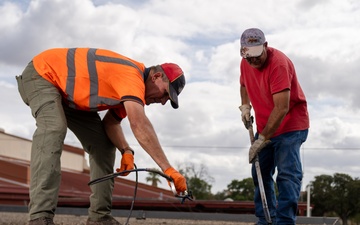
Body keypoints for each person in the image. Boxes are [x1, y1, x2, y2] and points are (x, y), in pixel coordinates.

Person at [16, 48, 188, 225]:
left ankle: (99, 217)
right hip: (42, 74)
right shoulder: (131, 76)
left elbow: (111, 124)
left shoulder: (130, 91)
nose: (163, 101)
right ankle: (39, 216)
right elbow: (139, 123)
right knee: (54, 128)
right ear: (156, 76)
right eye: (166, 94)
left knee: (104, 146)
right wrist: (168, 169)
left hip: (69, 96)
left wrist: (126, 150)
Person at [238, 28, 309, 225]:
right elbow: (243, 84)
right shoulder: (246, 62)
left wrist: (262, 139)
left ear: (266, 47)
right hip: (266, 124)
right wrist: (245, 107)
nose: (252, 61)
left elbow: (281, 108)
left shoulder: (278, 64)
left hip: (290, 125)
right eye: (248, 56)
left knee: (287, 174)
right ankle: (266, 219)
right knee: (260, 172)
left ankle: (284, 221)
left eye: (256, 55)